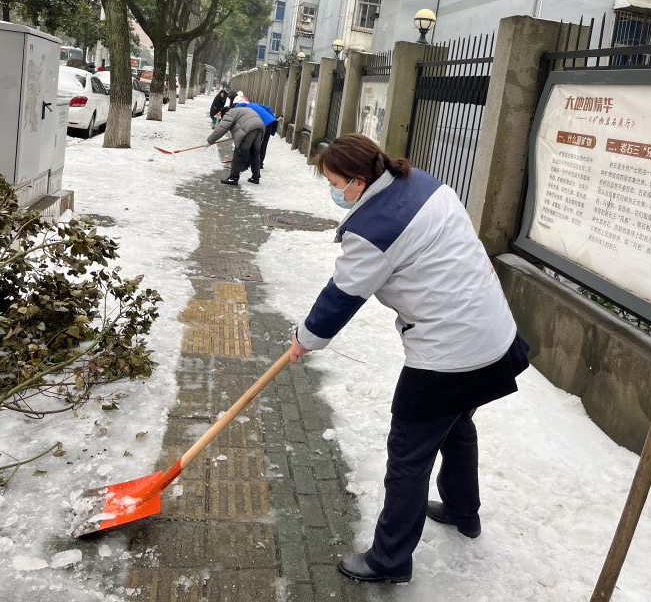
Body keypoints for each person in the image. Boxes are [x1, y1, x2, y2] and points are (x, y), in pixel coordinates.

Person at [288, 134, 530, 585]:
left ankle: (390, 559)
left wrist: (305, 338)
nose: (333, 190)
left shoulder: (374, 229)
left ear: (359, 183)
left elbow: (342, 295)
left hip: (450, 353)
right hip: (491, 330)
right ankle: (462, 510)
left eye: (335, 182)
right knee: (456, 424)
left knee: (408, 453)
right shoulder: (421, 182)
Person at [206, 97, 265, 185]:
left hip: (248, 129)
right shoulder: (240, 110)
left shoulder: (229, 113)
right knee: (254, 154)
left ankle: (233, 178)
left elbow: (221, 129)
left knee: (239, 153)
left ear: (224, 114)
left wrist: (209, 141)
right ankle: (255, 178)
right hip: (260, 127)